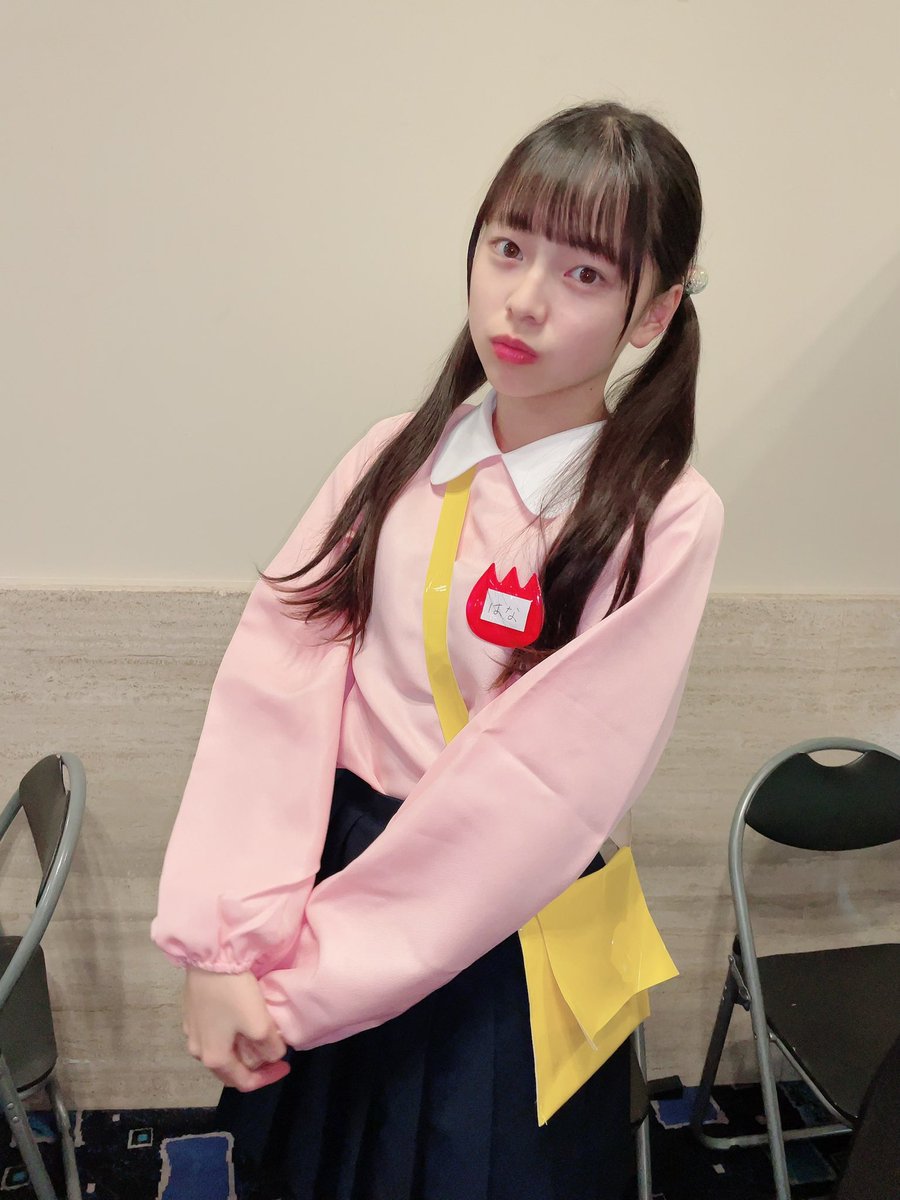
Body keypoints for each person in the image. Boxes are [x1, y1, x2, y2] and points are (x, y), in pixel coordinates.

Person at [152, 100, 724, 1199]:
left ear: (653, 313)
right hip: (339, 884)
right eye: (509, 247)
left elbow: (537, 788)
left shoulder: (665, 515)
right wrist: (228, 949)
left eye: (585, 273)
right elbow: (276, 687)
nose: (525, 298)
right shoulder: (393, 455)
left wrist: (302, 983)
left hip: (506, 932)